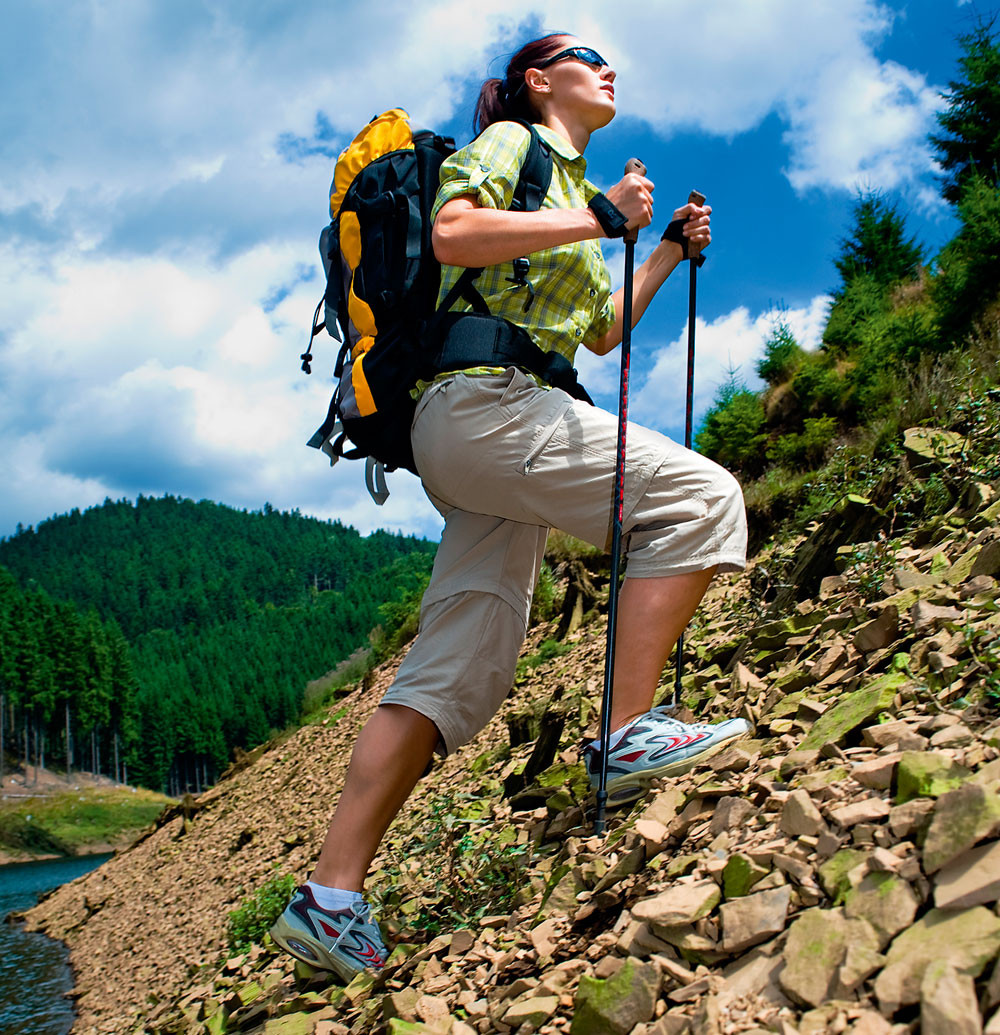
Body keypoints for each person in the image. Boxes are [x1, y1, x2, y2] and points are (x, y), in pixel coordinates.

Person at [270, 32, 749, 982]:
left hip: (480, 429)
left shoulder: (568, 195)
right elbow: (452, 232)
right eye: (586, 54)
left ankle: (330, 899)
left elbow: (604, 335)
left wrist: (649, 248)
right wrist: (600, 217)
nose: (609, 66)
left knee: (460, 665)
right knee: (700, 498)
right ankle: (625, 732)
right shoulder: (516, 148)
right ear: (540, 80)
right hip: (486, 402)